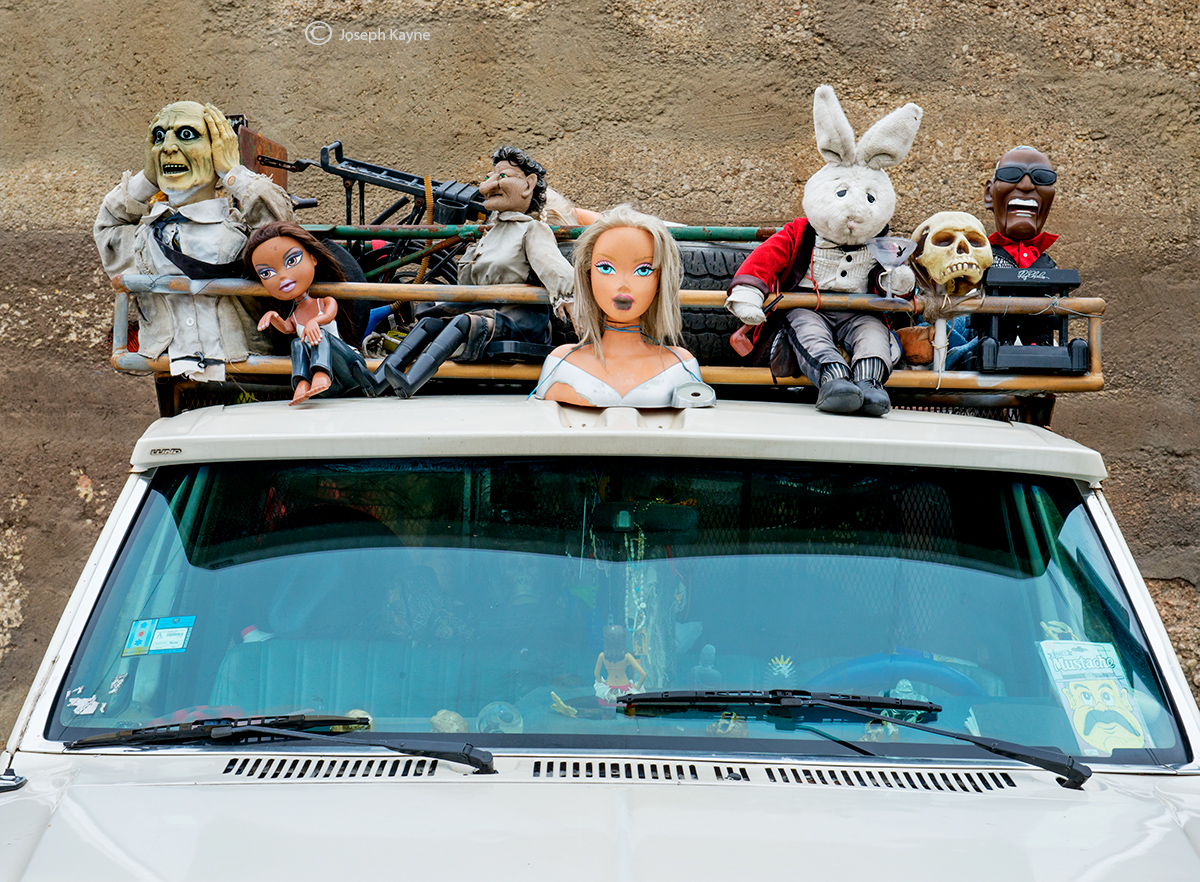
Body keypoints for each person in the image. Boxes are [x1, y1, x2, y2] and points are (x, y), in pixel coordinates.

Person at [95, 101, 294, 381]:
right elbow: (107, 225)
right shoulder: (144, 239)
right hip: (174, 378)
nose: (168, 147)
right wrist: (148, 179)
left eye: (187, 134)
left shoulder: (240, 235)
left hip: (245, 374)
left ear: (217, 149)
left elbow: (281, 228)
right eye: (159, 137)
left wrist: (232, 172)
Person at [372, 146, 575, 398]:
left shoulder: (531, 229)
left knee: (462, 322)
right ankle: (377, 380)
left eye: (503, 176)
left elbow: (553, 266)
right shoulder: (488, 235)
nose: (490, 182)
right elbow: (467, 284)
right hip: (484, 310)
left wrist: (569, 299)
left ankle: (410, 382)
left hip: (519, 318)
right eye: (491, 175)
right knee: (429, 322)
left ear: (528, 184)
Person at [533, 204, 711, 408]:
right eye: (606, 268)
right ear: (588, 274)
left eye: (643, 270)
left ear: (661, 279)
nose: (624, 285)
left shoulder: (682, 365)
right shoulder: (561, 362)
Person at [244, 222, 370, 405]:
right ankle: (302, 382)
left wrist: (315, 322)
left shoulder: (325, 301)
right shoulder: (294, 315)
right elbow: (287, 328)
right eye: (267, 273)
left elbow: (329, 316)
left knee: (321, 336)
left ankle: (321, 373)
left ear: (313, 258)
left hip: (347, 361)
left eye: (292, 261)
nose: (282, 276)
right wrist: (273, 316)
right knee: (297, 343)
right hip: (319, 368)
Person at [976, 145, 1060, 345]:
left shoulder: (1049, 266)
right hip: (988, 349)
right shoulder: (979, 259)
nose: (1026, 185)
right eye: (1011, 175)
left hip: (1043, 354)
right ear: (989, 194)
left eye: (1042, 177)